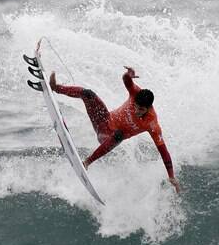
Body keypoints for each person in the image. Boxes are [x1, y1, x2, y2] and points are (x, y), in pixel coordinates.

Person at [49, 66, 181, 193]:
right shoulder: (135, 93)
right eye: (135, 106)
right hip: (102, 120)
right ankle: (56, 88)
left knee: (119, 134)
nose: (137, 110)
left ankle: (87, 162)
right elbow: (126, 81)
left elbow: (163, 151)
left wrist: (171, 175)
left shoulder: (152, 124)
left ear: (148, 108)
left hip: (107, 137)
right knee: (88, 94)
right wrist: (129, 74)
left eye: (141, 109)